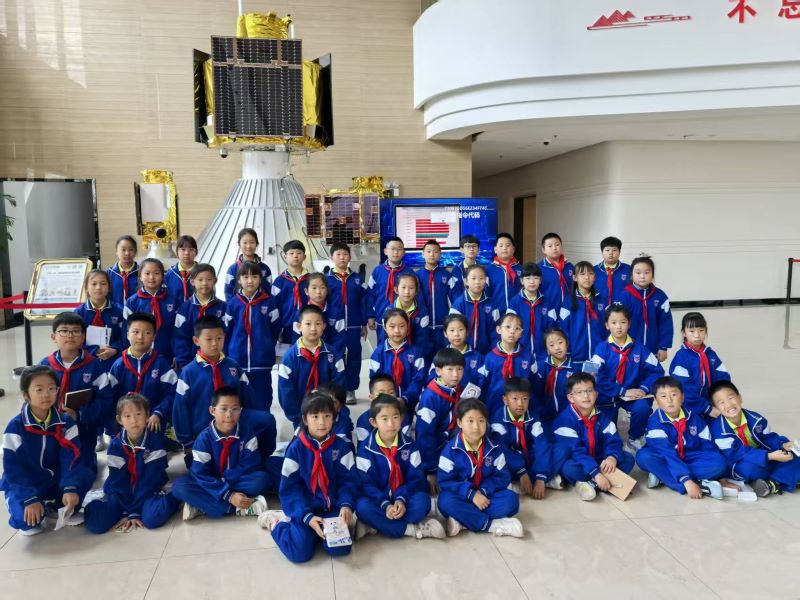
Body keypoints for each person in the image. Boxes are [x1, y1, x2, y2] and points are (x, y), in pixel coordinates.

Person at [258, 393, 360, 564]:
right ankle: (276, 522)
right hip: (305, 508)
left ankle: (314, 532)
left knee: (340, 548)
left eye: (327, 416)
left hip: (332, 508)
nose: (321, 422)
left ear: (334, 418)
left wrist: (346, 504)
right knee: (299, 554)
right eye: (315, 417)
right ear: (305, 419)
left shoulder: (341, 447)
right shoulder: (295, 449)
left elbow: (349, 481)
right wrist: (306, 516)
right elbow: (290, 489)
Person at [0, 366, 94, 535]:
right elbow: (12, 469)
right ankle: (30, 503)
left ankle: (55, 508)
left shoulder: (65, 422)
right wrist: (29, 498)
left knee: (85, 474)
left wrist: (70, 487)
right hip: (27, 482)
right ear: (26, 395)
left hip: (53, 480)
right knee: (27, 522)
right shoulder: (15, 428)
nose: (46, 394)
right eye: (39, 390)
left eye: (51, 389)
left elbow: (71, 458)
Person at [84, 394, 179, 533]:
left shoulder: (156, 441)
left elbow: (151, 479)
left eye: (138, 414)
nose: (134, 420)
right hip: (122, 492)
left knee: (153, 519)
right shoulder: (115, 445)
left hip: (150, 490)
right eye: (127, 416)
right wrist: (127, 509)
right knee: (97, 525)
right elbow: (118, 479)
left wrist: (133, 511)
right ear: (119, 420)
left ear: (147, 415)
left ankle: (172, 498)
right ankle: (97, 504)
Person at [355, 394, 444, 540]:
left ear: (401, 419)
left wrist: (401, 499)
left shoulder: (410, 445)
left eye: (395, 417)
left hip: (405, 498)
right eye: (384, 419)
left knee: (423, 502)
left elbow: (416, 479)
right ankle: (411, 529)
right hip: (378, 500)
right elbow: (366, 485)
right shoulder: (365, 450)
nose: (391, 424)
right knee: (362, 507)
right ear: (373, 422)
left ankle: (374, 525)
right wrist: (385, 504)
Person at [172, 386, 270, 520]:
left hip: (234, 479)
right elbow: (200, 473)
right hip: (211, 481)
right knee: (179, 486)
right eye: (223, 409)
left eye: (235, 409)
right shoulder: (203, 439)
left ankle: (204, 505)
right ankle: (235, 507)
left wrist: (225, 479)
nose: (229, 415)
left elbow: (251, 463)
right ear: (212, 411)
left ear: (241, 411)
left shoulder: (247, 432)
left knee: (261, 479)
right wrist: (229, 495)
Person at [437, 398, 523, 538]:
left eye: (481, 421)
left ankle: (463, 521)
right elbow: (445, 481)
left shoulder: (494, 448)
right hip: (462, 496)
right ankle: (491, 525)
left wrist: (483, 491)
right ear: (459, 423)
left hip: (486, 497)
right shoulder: (450, 450)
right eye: (470, 421)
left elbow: (503, 477)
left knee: (511, 499)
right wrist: (471, 495)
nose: (476, 427)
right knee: (445, 501)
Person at [40, 312, 110, 475]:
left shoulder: (94, 366)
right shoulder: (45, 366)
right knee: (50, 469)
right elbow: (33, 398)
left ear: (83, 337)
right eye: (64, 331)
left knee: (82, 471)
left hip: (83, 428)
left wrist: (79, 414)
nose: (70, 335)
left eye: (76, 331)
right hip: (51, 426)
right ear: (54, 337)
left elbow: (105, 400)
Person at [172, 316, 255, 454]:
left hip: (234, 432)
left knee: (266, 421)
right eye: (209, 339)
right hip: (200, 437)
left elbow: (249, 398)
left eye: (219, 338)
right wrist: (187, 442)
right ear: (196, 341)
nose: (215, 344)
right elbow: (180, 409)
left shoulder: (233, 367)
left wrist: (247, 429)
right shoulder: (189, 372)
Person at [635, 377, 726, 499]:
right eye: (663, 396)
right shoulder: (655, 422)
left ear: (682, 397)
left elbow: (708, 446)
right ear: (656, 400)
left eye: (673, 395)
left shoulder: (695, 418)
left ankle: (663, 476)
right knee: (643, 457)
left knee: (719, 462)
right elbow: (667, 452)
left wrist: (720, 475)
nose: (669, 400)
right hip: (666, 456)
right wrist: (687, 481)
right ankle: (692, 484)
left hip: (690, 457)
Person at [591, 304, 664, 453]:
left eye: (623, 322)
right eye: (614, 322)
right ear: (606, 325)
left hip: (633, 394)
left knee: (642, 408)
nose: (619, 327)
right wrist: (621, 391)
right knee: (608, 434)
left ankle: (634, 438)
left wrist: (644, 388)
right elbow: (594, 376)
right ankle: (610, 442)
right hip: (607, 395)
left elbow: (657, 371)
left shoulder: (640, 348)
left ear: (629, 324)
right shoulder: (601, 349)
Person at [551, 373, 634, 501]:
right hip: (579, 460)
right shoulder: (564, 420)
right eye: (579, 392)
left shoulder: (602, 416)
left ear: (596, 394)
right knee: (568, 468)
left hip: (598, 458)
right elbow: (576, 451)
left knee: (628, 459)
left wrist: (612, 457)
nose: (586, 396)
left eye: (590, 391)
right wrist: (595, 472)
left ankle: (589, 484)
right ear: (571, 398)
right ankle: (600, 480)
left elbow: (613, 441)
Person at [710, 381, 800, 497]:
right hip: (739, 462)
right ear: (716, 408)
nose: (728, 405)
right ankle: (783, 478)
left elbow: (768, 437)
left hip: (764, 454)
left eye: (731, 398)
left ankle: (772, 482)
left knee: (793, 455)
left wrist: (782, 444)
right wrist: (768, 456)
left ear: (740, 398)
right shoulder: (718, 429)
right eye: (721, 403)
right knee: (750, 469)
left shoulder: (756, 418)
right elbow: (736, 453)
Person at [108, 313, 178, 436]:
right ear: (127, 334)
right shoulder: (118, 365)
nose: (140, 337)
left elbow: (173, 394)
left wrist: (158, 413)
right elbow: (110, 397)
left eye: (147, 333)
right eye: (135, 332)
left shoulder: (162, 364)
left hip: (153, 424)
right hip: (126, 425)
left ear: (154, 336)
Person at [224, 261, 280, 411]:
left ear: (260, 280)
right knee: (238, 400)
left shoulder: (269, 302)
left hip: (262, 362)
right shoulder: (233, 304)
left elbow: (275, 329)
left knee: (263, 400)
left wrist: (266, 345)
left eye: (254, 276)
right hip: (237, 361)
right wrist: (229, 352)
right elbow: (227, 331)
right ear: (239, 280)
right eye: (245, 277)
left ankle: (263, 425)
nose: (250, 281)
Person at [279, 305, 346, 429]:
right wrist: (299, 418)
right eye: (308, 324)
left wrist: (331, 411)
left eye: (318, 324)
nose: (313, 328)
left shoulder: (333, 354)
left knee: (342, 432)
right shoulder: (289, 358)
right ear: (299, 327)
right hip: (301, 416)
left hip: (329, 413)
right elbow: (286, 394)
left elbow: (339, 386)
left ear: (324, 326)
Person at [490, 377, 557, 499]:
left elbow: (541, 444)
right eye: (515, 398)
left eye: (525, 399)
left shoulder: (533, 416)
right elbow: (501, 447)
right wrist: (521, 471)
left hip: (527, 454)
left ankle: (540, 479)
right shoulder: (498, 418)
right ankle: (542, 478)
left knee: (553, 451)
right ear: (505, 400)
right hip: (510, 458)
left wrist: (541, 477)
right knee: (496, 464)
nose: (520, 404)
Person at [416, 348, 466, 494]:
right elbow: (424, 435)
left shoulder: (458, 388)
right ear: (438, 371)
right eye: (450, 369)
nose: (455, 374)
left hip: (452, 436)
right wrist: (430, 470)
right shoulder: (430, 397)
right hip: (437, 444)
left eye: (459, 369)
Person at [326, 242, 368, 404]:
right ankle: (336, 388)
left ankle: (350, 389)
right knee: (336, 356)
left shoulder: (357, 279)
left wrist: (363, 323)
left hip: (353, 325)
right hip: (334, 327)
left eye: (345, 254)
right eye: (338, 254)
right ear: (332, 257)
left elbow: (363, 301)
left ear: (350, 257)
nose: (342, 258)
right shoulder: (326, 279)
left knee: (354, 358)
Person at [669, 312, 731, 420]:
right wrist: (707, 408)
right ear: (684, 333)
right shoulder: (681, 357)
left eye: (701, 330)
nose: (697, 335)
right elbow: (685, 389)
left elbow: (723, 379)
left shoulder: (711, 354)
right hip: (689, 409)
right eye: (692, 331)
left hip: (713, 405)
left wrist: (720, 401)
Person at [368, 309, 426, 415]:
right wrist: (384, 398)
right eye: (392, 326)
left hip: (408, 403)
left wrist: (405, 398)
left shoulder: (416, 353)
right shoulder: (378, 354)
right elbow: (375, 380)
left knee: (405, 423)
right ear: (385, 327)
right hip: (384, 404)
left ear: (408, 327)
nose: (397, 331)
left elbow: (418, 380)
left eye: (401, 326)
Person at [123, 258, 179, 362]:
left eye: (156, 273)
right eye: (147, 273)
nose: (152, 277)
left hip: (167, 354)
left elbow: (178, 331)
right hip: (139, 355)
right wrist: (128, 354)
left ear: (163, 276)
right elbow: (126, 330)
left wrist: (177, 355)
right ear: (140, 276)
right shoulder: (132, 302)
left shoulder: (173, 300)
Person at [173, 263, 227, 370]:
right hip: (191, 364)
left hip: (218, 362)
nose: (204, 283)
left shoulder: (223, 307)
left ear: (215, 281)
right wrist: (184, 362)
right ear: (192, 281)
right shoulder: (185, 308)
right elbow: (180, 337)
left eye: (209, 279)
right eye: (200, 280)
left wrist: (224, 360)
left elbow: (227, 335)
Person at [619, 255, 673, 362]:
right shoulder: (624, 296)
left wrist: (663, 347)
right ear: (631, 275)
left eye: (647, 272)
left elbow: (665, 323)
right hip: (629, 350)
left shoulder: (660, 296)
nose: (642, 276)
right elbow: (618, 323)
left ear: (652, 274)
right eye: (638, 273)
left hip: (653, 350)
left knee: (652, 372)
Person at [479, 313, 536, 414]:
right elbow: (482, 385)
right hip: (494, 405)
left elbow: (535, 384)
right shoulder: (490, 358)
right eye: (508, 327)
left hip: (520, 407)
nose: (512, 331)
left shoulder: (528, 357)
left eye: (517, 328)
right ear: (498, 329)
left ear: (521, 333)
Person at [558, 261, 607, 366]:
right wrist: (568, 350)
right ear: (575, 278)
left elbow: (608, 327)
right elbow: (563, 328)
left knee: (594, 377)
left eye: (590, 273)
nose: (587, 277)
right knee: (578, 377)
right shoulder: (568, 302)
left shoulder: (602, 300)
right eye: (582, 274)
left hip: (598, 357)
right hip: (576, 357)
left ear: (595, 277)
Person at [74, 269, 124, 370]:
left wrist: (115, 349)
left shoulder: (119, 310)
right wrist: (94, 350)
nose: (98, 287)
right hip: (87, 360)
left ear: (109, 287)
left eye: (103, 284)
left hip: (113, 360)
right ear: (86, 287)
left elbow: (124, 335)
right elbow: (76, 338)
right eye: (94, 284)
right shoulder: (79, 313)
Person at [366, 236, 415, 333]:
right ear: (385, 251)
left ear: (404, 252)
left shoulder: (409, 272)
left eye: (399, 249)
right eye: (392, 249)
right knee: (383, 342)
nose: (396, 252)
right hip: (381, 318)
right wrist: (370, 316)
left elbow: (416, 296)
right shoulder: (377, 271)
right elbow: (370, 294)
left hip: (403, 321)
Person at [507, 262, 555, 360]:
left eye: (535, 278)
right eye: (528, 278)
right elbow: (509, 327)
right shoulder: (515, 302)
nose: (532, 282)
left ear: (540, 280)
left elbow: (552, 327)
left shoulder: (547, 302)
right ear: (522, 281)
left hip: (542, 353)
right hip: (520, 352)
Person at [449, 264, 500, 354]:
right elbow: (453, 331)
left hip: (486, 352)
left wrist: (493, 352)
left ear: (486, 281)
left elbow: (495, 331)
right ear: (466, 281)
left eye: (481, 278)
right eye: (473, 278)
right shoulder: (458, 304)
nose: (477, 282)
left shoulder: (492, 304)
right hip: (463, 353)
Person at [427, 314, 485, 392]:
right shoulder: (441, 356)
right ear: (445, 333)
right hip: (446, 396)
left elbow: (482, 381)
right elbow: (432, 378)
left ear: (467, 332)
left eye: (460, 330)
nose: (456, 334)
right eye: (452, 330)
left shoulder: (477, 357)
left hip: (470, 398)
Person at [377, 273, 430, 352]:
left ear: (416, 291)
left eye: (411, 288)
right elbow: (383, 337)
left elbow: (422, 339)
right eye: (403, 287)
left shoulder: (422, 311)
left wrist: (414, 355)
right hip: (393, 354)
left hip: (415, 354)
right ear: (396, 290)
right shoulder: (389, 311)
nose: (407, 291)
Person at [535, 328, 577, 425]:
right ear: (547, 349)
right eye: (551, 345)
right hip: (544, 419)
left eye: (560, 342)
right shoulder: (539, 367)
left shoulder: (576, 368)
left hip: (569, 419)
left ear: (567, 343)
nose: (557, 347)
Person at [271, 240, 310, 343]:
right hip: (286, 326)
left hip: (308, 326)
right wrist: (278, 327)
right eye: (291, 253)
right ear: (285, 257)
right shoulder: (279, 281)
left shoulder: (311, 279)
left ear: (304, 257)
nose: (295, 256)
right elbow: (274, 305)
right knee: (289, 351)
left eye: (299, 253)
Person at [416, 239, 450, 353]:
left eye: (435, 252)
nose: (432, 254)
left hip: (443, 326)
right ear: (423, 254)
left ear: (440, 254)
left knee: (443, 358)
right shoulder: (416, 276)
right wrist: (421, 315)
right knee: (424, 356)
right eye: (428, 251)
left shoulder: (447, 275)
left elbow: (454, 299)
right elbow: (415, 299)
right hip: (423, 326)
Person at [298, 272, 346, 353]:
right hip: (306, 357)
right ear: (306, 291)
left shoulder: (336, 312)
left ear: (327, 291)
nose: (318, 292)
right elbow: (296, 340)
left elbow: (339, 340)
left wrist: (330, 357)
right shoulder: (300, 313)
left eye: (322, 288)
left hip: (331, 356)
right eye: (314, 288)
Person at [355, 373, 407, 444]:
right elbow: (363, 447)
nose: (386, 397)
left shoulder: (403, 417)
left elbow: (407, 444)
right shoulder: (363, 420)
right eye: (381, 394)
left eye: (391, 393)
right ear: (371, 397)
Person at [224, 228, 273, 302]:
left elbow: (269, 291)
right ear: (239, 244)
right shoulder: (232, 269)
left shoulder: (265, 269)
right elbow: (228, 293)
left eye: (252, 242)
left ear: (256, 244)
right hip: (238, 308)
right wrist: (235, 306)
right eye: (245, 242)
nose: (248, 246)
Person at [486, 232, 522, 313]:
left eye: (508, 245)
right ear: (495, 249)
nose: (504, 248)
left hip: (517, 312)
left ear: (513, 249)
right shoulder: (488, 270)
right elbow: (486, 293)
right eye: (501, 245)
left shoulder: (521, 269)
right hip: (496, 313)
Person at [538, 233, 574, 309]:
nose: (554, 248)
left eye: (557, 245)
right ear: (544, 250)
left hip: (568, 309)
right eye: (550, 246)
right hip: (548, 310)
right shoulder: (538, 268)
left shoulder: (569, 266)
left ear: (562, 247)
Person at [594, 236, 630, 305]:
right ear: (602, 252)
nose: (611, 253)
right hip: (599, 308)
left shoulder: (629, 269)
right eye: (607, 250)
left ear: (619, 252)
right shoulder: (593, 271)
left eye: (614, 250)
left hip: (622, 308)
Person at [448, 234, 483, 303]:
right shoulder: (457, 269)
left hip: (479, 305)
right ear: (462, 250)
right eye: (468, 246)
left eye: (474, 246)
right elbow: (454, 292)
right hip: (462, 306)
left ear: (478, 249)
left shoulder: (482, 269)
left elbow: (486, 289)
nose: (471, 249)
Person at [165, 234, 199, 302]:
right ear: (177, 252)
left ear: (196, 252)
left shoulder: (202, 272)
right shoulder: (170, 273)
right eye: (183, 249)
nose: (187, 253)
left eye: (191, 249)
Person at [107, 234, 139, 303]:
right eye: (123, 250)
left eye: (131, 249)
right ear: (117, 251)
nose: (127, 253)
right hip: (115, 309)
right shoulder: (108, 274)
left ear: (135, 251)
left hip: (136, 309)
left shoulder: (142, 273)